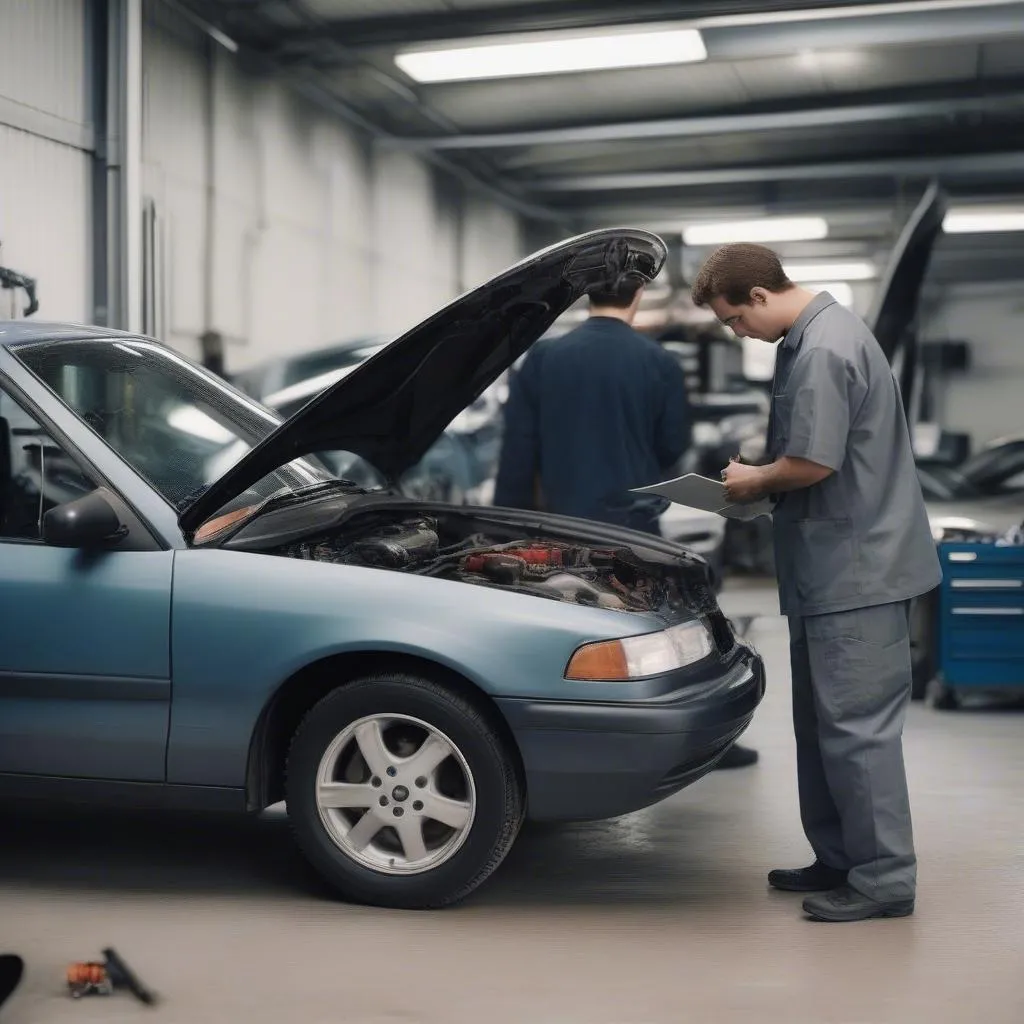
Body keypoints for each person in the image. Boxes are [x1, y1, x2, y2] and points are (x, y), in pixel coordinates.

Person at [691, 243, 942, 922]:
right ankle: (839, 856)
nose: (735, 333)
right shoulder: (814, 338)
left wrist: (754, 480)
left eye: (734, 320)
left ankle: (883, 878)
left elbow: (812, 464)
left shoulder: (825, 349)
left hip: (858, 570)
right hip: (832, 566)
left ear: (761, 297)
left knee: (858, 730)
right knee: (824, 725)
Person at [494, 269, 760, 771]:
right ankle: (695, 738)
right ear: (639, 295)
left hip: (563, 527)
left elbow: (518, 452)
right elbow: (672, 444)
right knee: (663, 630)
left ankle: (569, 744)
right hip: (634, 524)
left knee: (569, 638)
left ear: (588, 296)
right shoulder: (656, 361)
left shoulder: (544, 359)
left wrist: (511, 531)